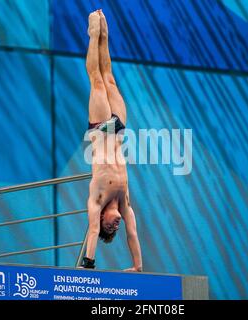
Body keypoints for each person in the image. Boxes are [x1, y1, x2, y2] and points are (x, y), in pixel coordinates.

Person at [81, 9, 142, 272]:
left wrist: (89, 264)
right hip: (118, 130)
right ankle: (105, 35)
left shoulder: (96, 199)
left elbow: (93, 230)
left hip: (100, 129)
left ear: (102, 217)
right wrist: (137, 266)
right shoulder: (125, 203)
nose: (113, 225)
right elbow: (133, 236)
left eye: (110, 226)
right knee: (110, 79)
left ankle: (93, 34)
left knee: (96, 80)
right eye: (113, 228)